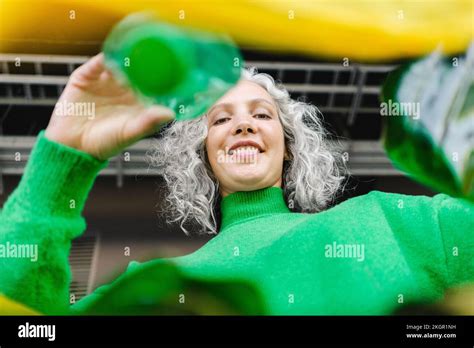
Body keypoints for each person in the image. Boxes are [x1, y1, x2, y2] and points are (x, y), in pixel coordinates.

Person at [0, 53, 473, 315]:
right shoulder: (149, 289)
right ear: (203, 152)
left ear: (288, 146)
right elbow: (23, 320)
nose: (243, 126)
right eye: (221, 118)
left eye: (261, 115)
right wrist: (66, 154)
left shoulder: (389, 219)